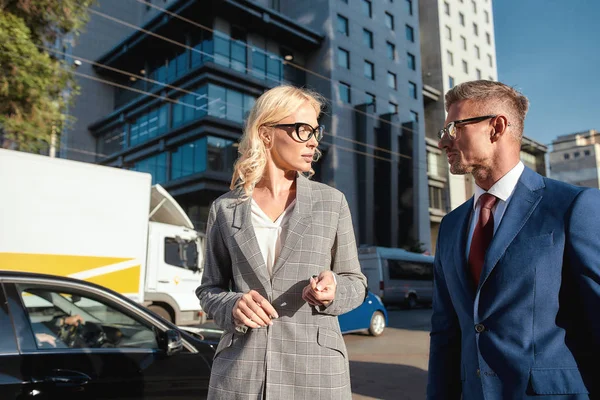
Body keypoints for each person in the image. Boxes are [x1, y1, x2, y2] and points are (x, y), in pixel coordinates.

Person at [427, 80, 600, 399]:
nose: (442, 143)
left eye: (452, 128)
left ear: (496, 127)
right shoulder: (451, 225)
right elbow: (445, 332)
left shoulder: (573, 207)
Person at [197, 85, 367, 399]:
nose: (313, 141)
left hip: (316, 373)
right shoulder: (224, 208)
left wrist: (333, 290)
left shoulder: (332, 202)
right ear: (266, 133)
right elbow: (209, 289)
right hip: (240, 374)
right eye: (303, 130)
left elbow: (355, 282)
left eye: (316, 131)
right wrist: (232, 304)